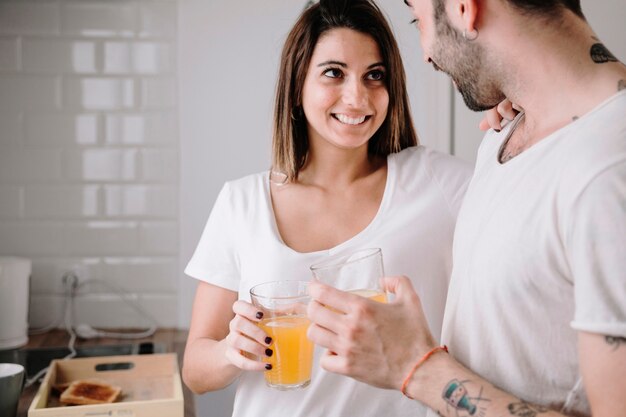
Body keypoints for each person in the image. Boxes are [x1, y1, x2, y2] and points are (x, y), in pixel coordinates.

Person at [306, 1, 626, 416]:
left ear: (463, 8)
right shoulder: (506, 133)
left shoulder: (609, 168)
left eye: (418, 19)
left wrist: (414, 367)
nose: (425, 53)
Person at [181, 0, 487, 416]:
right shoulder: (242, 203)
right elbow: (195, 372)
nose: (356, 96)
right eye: (334, 73)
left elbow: (529, 202)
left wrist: (518, 117)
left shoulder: (436, 182)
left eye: (374, 76)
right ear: (296, 87)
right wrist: (230, 351)